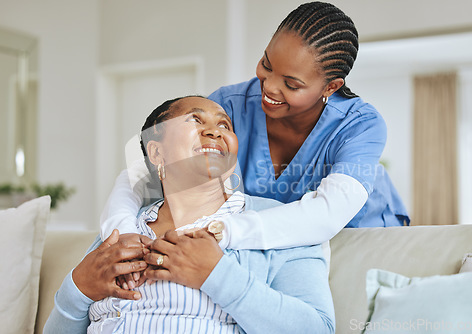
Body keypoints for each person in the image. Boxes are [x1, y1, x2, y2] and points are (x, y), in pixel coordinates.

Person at [100, 1, 409, 257]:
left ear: (331, 86)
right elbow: (144, 171)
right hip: (267, 245)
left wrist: (223, 232)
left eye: (291, 84)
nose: (269, 88)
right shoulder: (228, 106)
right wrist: (122, 233)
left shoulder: (360, 125)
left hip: (359, 238)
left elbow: (328, 213)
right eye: (267, 64)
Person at [44, 96, 334, 334]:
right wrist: (77, 288)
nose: (215, 131)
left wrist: (217, 275)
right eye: (196, 120)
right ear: (157, 153)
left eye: (224, 125)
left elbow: (318, 328)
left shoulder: (280, 221)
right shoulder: (119, 233)